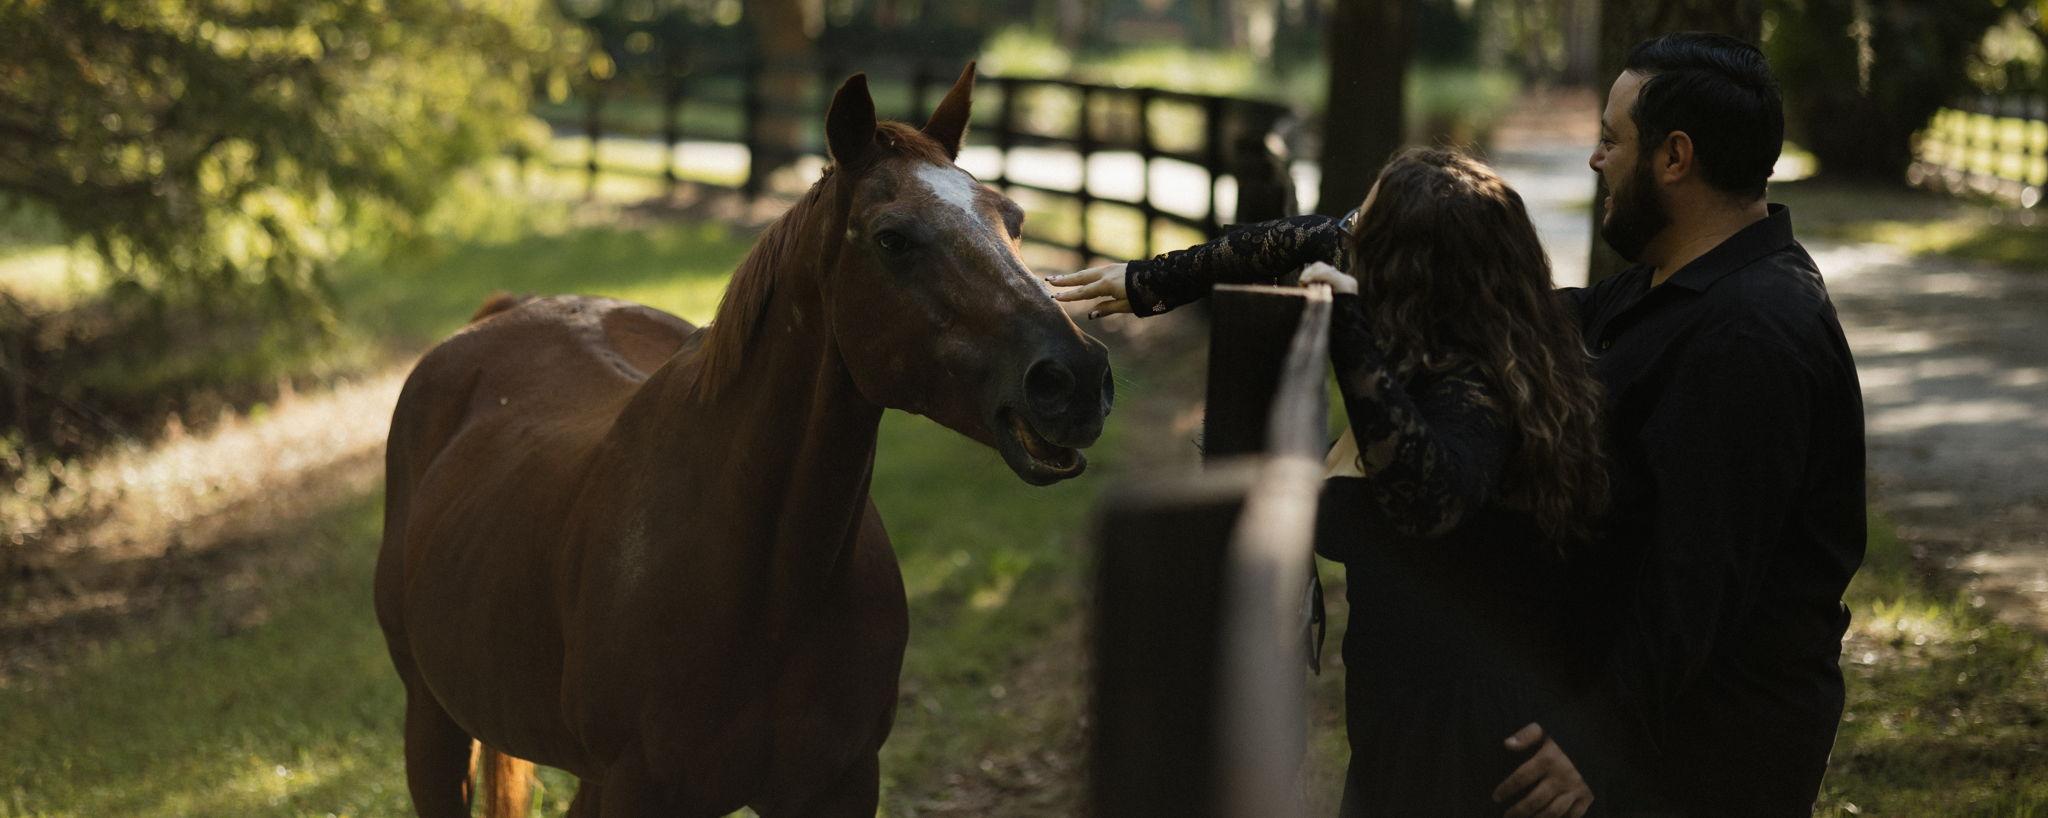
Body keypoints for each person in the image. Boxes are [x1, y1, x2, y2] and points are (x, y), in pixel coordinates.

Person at [1054, 148, 1608, 818]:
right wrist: (1150, 281)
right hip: (1396, 716)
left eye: (1365, 235)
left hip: (1466, 745)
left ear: (1408, 269)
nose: (1346, 239)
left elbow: (1429, 500)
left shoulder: (1476, 387)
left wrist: (1349, 329)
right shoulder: (1469, 334)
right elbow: (1296, 238)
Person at [1491, 32, 1867, 818]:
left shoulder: (1753, 334)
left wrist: (1594, 737)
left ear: (1674, 157)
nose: (1596, 159)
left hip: (1704, 762)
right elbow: (1541, 321)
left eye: (1611, 139)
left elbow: (1696, 577)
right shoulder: (1673, 286)